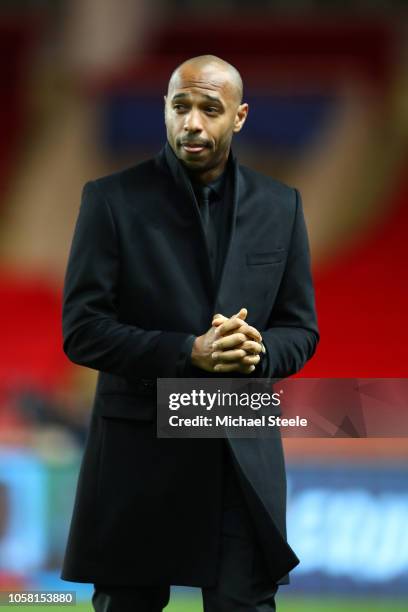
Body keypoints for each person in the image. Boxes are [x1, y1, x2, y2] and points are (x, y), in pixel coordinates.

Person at [60, 54, 319, 611]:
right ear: (165, 111)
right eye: (181, 106)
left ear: (240, 117)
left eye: (209, 108)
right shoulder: (110, 200)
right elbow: (82, 331)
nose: (193, 123)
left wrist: (261, 349)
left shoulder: (282, 206)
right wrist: (188, 352)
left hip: (238, 457)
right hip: (138, 459)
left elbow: (301, 330)